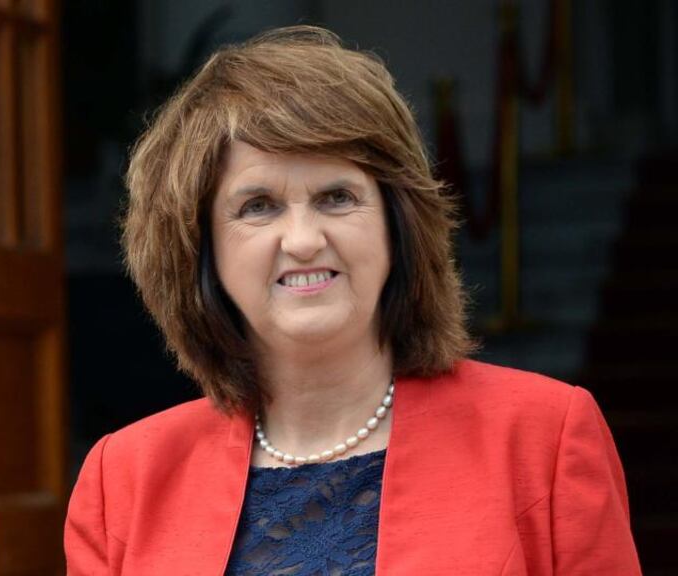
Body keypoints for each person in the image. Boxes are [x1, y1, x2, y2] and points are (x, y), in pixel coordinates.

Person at [64, 26, 641, 575]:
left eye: (337, 197)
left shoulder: (545, 436)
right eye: (258, 206)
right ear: (201, 249)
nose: (303, 240)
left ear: (397, 224)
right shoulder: (124, 479)